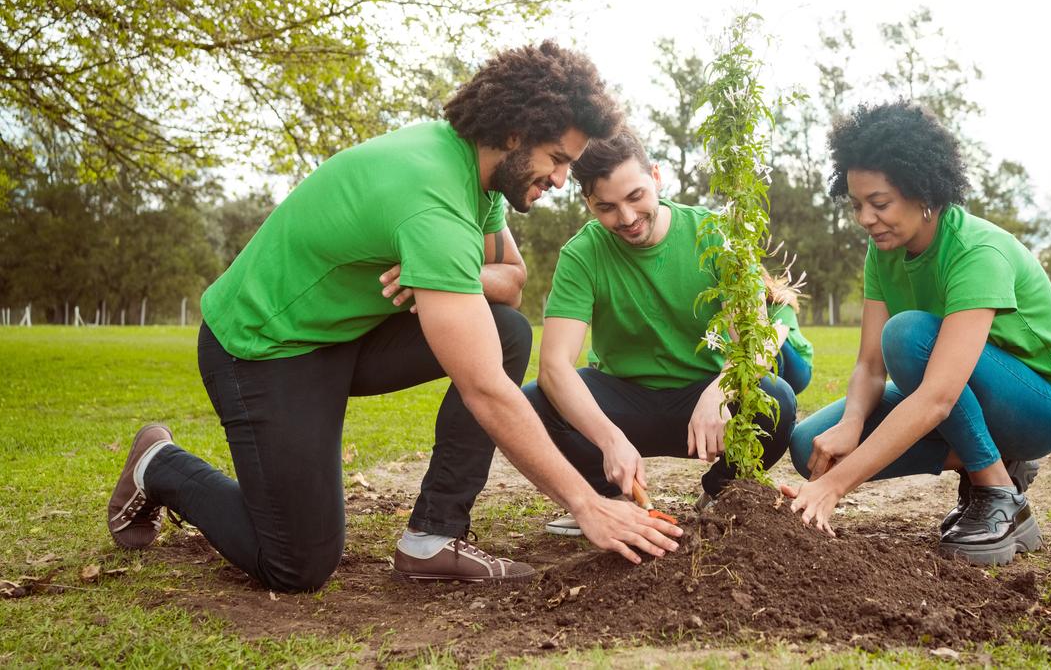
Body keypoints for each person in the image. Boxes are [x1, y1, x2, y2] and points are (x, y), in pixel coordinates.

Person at [106, 42, 682, 592]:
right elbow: (484, 390)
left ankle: (434, 537)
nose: (561, 180)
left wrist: (451, 276)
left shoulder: (475, 172)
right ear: (514, 134)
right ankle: (160, 465)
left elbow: (511, 281)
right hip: (263, 350)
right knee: (296, 562)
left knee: (506, 331)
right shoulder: (432, 200)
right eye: (557, 160)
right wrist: (587, 504)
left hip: (345, 337)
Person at [785, 102, 1051, 566]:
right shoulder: (883, 251)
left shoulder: (977, 251)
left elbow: (937, 396)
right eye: (856, 205)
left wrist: (835, 486)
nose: (866, 219)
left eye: (880, 203)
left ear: (924, 191)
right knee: (809, 441)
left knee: (907, 336)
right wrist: (851, 424)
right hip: (961, 391)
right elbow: (869, 367)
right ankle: (993, 459)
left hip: (1043, 404)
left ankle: (996, 489)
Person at [521, 129, 797, 535]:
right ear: (588, 203)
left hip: (703, 399)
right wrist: (610, 439)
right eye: (607, 207)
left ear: (655, 175)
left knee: (776, 399)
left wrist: (722, 389)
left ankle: (721, 493)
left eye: (635, 197)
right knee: (535, 402)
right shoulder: (582, 253)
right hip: (624, 398)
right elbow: (554, 368)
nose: (627, 219)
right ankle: (607, 499)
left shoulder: (717, 234)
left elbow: (754, 346)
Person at [763, 270, 814, 395]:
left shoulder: (781, 304)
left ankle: (776, 396)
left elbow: (773, 345)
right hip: (769, 361)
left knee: (771, 342)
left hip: (798, 368)